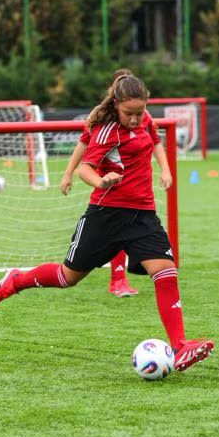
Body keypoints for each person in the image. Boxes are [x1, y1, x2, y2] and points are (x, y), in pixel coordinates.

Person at [0, 74, 214, 372]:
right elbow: (86, 168)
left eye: (139, 112)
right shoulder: (107, 131)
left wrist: (165, 170)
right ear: (116, 105)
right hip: (105, 215)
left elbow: (156, 142)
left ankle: (180, 346)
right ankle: (15, 280)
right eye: (129, 113)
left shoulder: (144, 119)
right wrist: (102, 180)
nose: (135, 119)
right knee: (68, 277)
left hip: (143, 214)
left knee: (165, 272)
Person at [59, 68, 138, 298]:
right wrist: (68, 174)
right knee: (109, 235)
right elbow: (83, 145)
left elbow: (153, 140)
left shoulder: (137, 116)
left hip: (130, 188)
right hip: (105, 187)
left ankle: (119, 279)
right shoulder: (101, 119)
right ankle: (116, 279)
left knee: (126, 232)